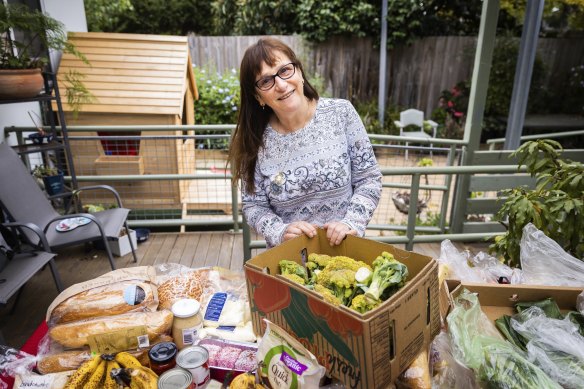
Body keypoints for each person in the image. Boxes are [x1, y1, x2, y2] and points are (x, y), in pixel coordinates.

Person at [229, 38, 382, 247]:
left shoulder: (341, 113)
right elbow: (253, 206)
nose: (281, 85)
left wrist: (351, 222)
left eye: (285, 70)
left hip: (345, 252)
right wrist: (280, 231)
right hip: (290, 263)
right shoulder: (253, 140)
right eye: (266, 81)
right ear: (258, 96)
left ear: (299, 72)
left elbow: (369, 179)